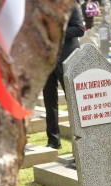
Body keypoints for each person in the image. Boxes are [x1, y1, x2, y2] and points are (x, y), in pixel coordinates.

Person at [43, 1, 84, 149]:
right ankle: (53, 141)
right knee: (49, 101)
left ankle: (80, 146)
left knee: (73, 102)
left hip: (67, 59)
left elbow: (79, 29)